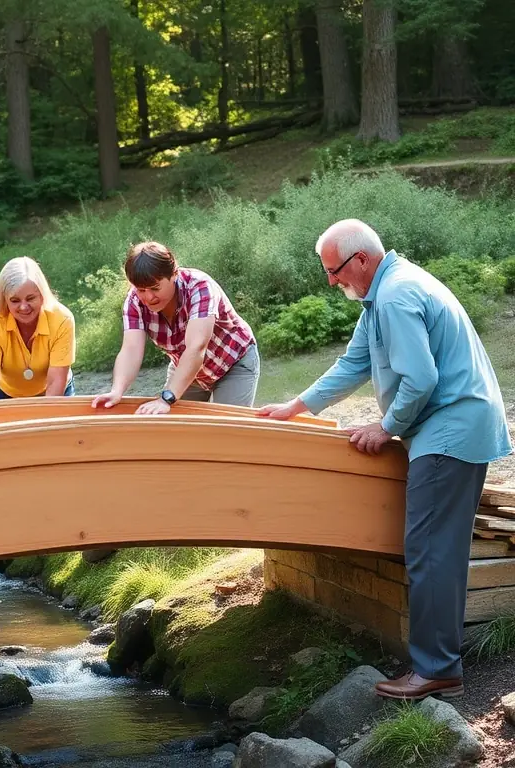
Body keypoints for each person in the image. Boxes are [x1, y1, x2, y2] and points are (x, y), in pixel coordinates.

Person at [258, 218, 512, 701]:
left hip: (451, 431)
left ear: (362, 260)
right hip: (452, 428)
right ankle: (441, 665)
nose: (331, 281)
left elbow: (421, 379)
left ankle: (437, 670)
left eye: (334, 271)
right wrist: (296, 406)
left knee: (430, 555)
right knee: (439, 554)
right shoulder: (383, 293)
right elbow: (353, 363)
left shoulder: (394, 296)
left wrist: (385, 427)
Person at [92, 240, 260, 413]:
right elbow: (131, 349)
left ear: (174, 274)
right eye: (141, 290)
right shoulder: (134, 301)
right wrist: (117, 390)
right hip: (188, 370)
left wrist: (167, 398)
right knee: (175, 429)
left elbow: (196, 348)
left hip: (233, 362)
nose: (149, 297)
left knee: (227, 432)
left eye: (155, 288)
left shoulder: (200, 287)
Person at [0, 256, 76, 400]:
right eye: (15, 301)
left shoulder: (62, 320)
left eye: (30, 298)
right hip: (1, 389)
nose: (23, 307)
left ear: (42, 296)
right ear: (4, 300)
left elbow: (56, 381)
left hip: (50, 388)